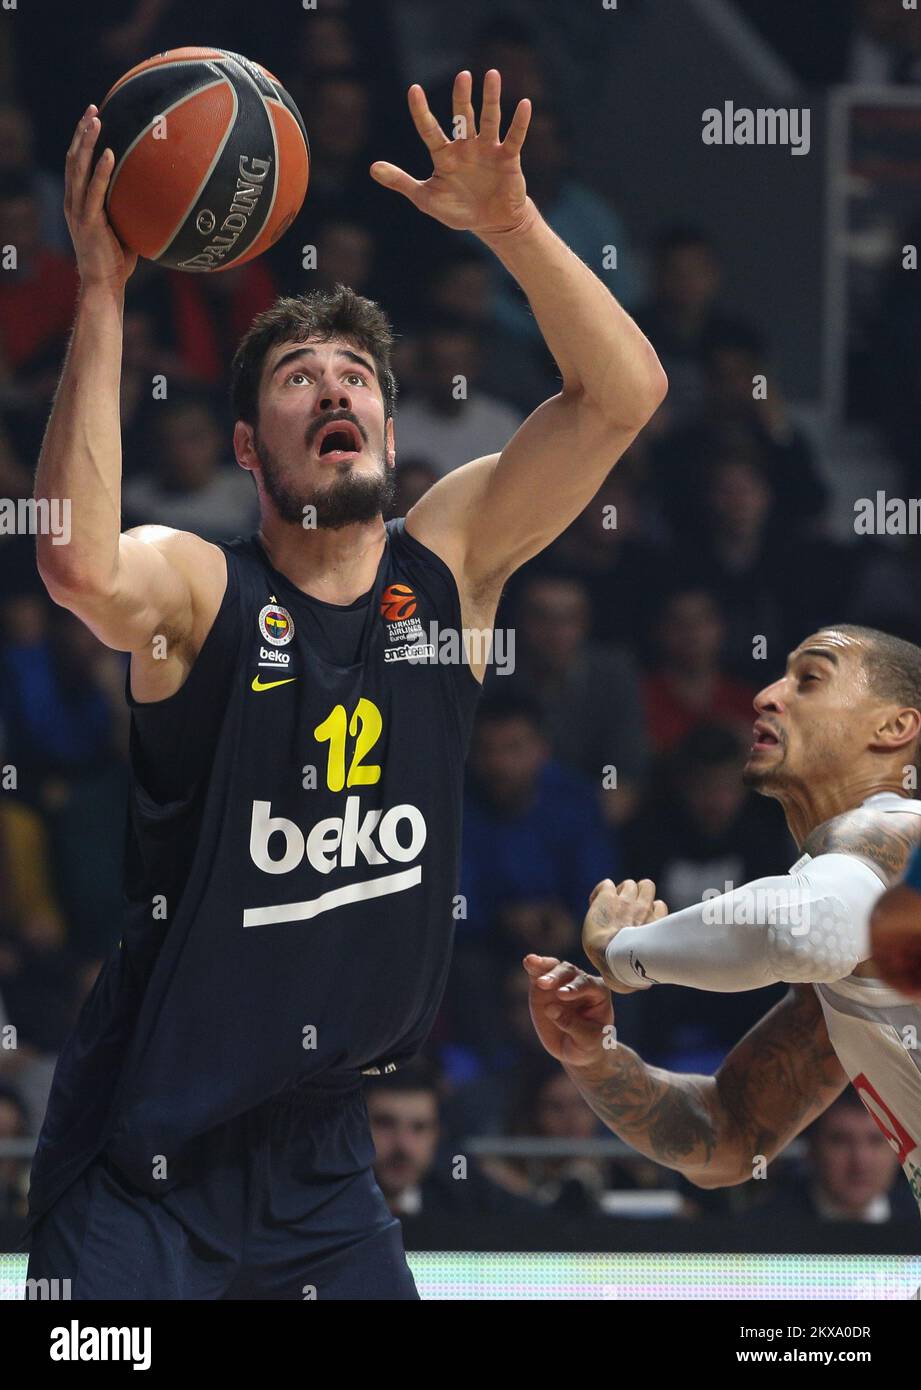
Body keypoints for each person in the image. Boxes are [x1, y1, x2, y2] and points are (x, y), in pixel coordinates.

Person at [23, 72, 667, 1301]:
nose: (337, 388)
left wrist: (511, 226)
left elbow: (623, 396)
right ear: (249, 449)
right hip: (142, 1159)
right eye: (300, 377)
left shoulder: (453, 565)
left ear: (383, 421)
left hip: (324, 1158)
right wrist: (105, 290)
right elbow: (77, 561)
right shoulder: (206, 592)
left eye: (358, 375)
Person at [529, 625, 921, 1220]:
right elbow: (731, 1135)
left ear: (895, 727)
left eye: (809, 679)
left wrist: (623, 953)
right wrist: (598, 1060)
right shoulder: (865, 950)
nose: (766, 695)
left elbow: (798, 930)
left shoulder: (898, 830)